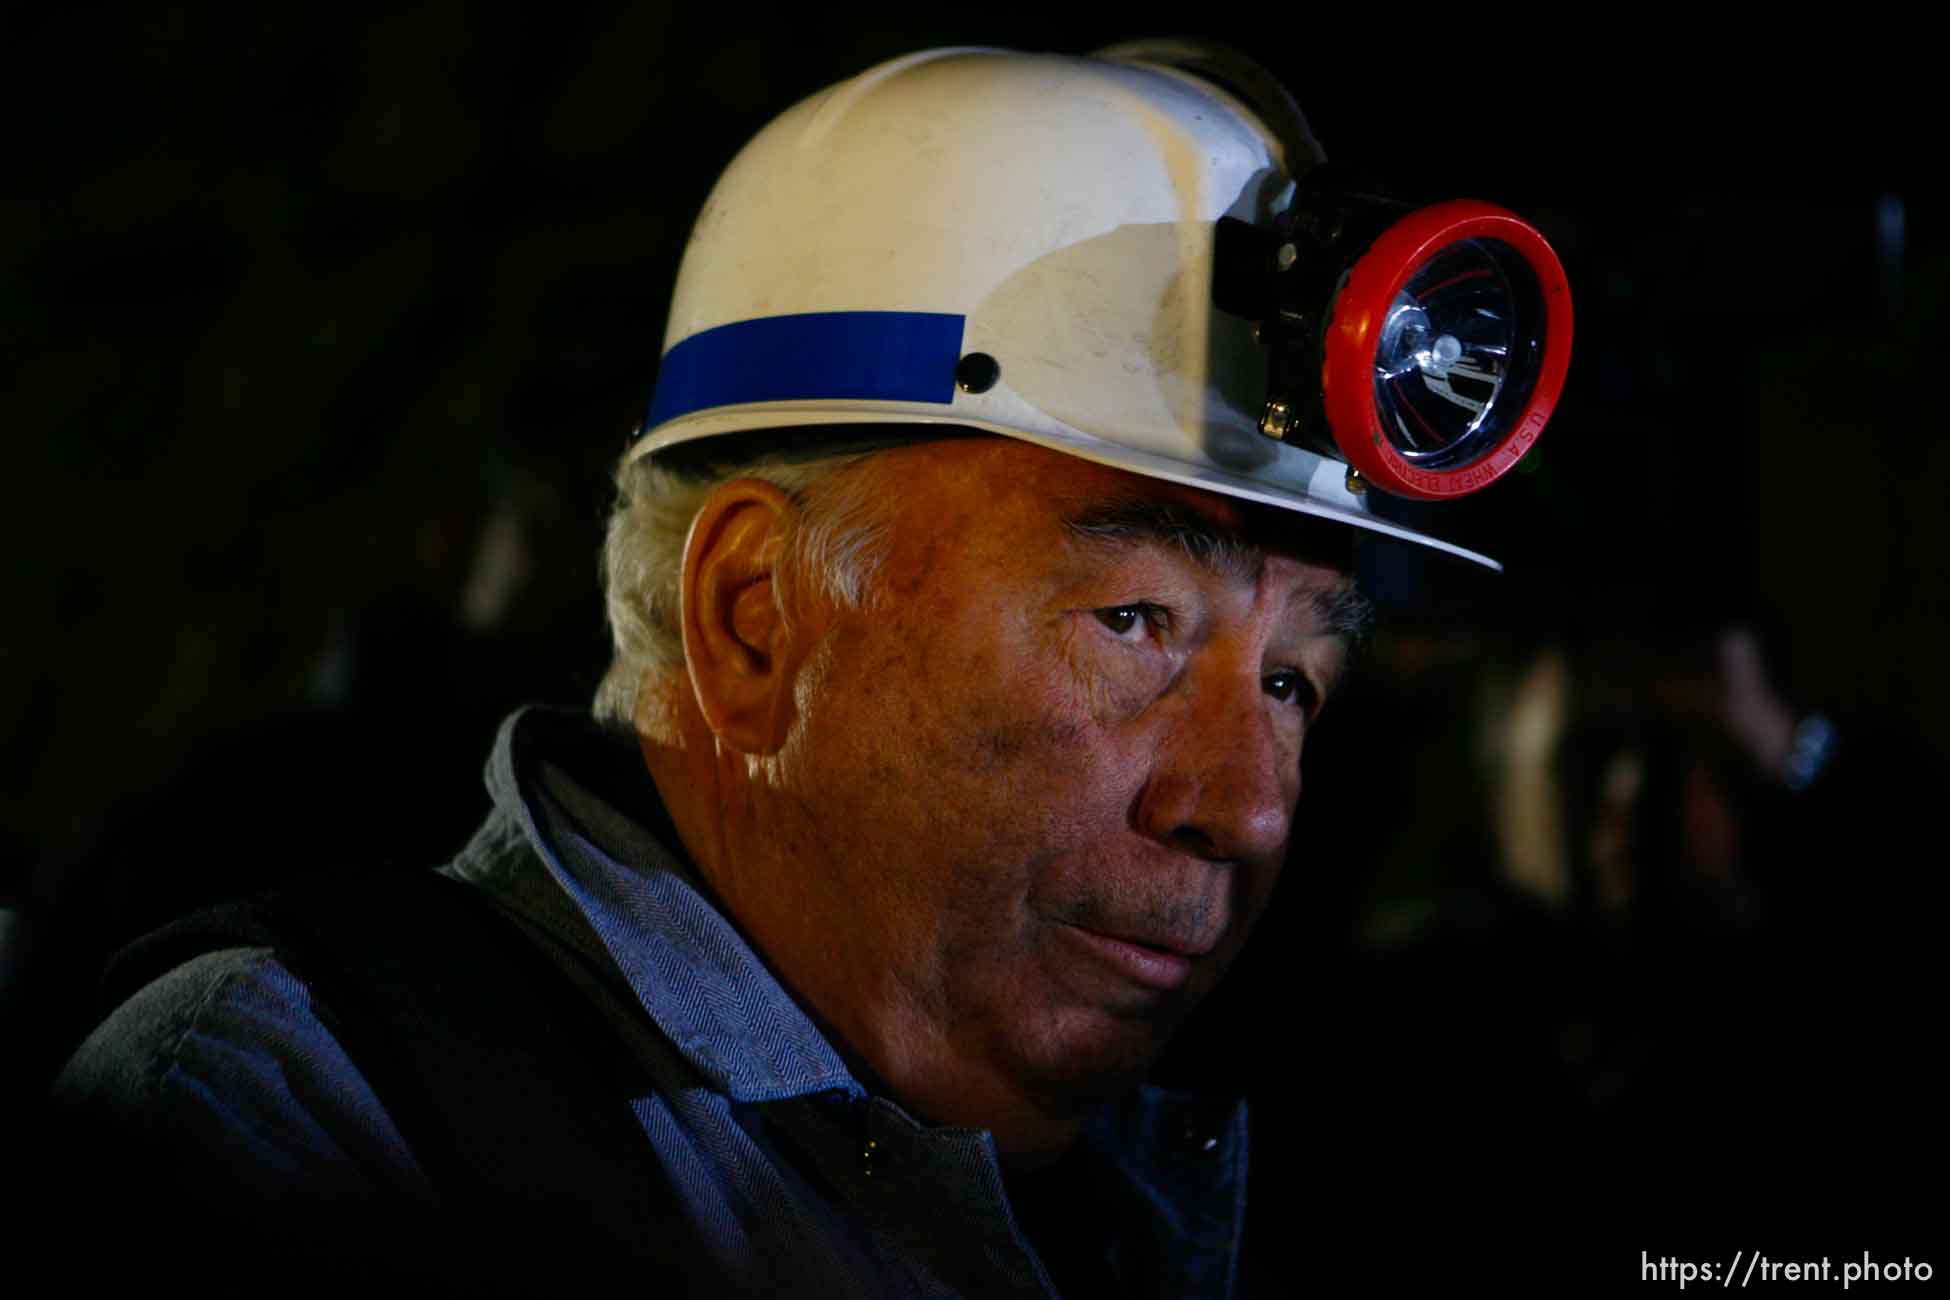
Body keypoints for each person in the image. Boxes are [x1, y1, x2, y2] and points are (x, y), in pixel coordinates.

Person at [44, 42, 1569, 1297]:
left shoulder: (1148, 1209)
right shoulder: (313, 1122)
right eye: (1132, 624)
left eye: (1294, 681)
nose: (1244, 809)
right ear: (757, 618)